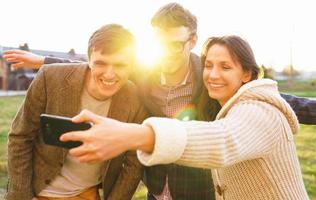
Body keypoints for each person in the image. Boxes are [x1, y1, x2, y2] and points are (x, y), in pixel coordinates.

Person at [3, 3, 316, 200]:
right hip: (157, 186)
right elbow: (101, 60)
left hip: (197, 190)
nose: (165, 52)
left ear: (192, 41)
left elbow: (272, 102)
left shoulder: (212, 78)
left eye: (174, 45)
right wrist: (43, 60)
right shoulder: (144, 71)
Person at [60, 35, 309, 200]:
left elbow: (222, 140)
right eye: (208, 65)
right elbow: (118, 67)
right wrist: (45, 62)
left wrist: (132, 135)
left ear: (246, 74)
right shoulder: (231, 105)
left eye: (225, 67)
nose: (212, 74)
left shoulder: (259, 109)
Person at [6, 24, 148, 200]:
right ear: (89, 60)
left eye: (120, 65)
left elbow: (134, 162)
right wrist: (20, 196)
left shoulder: (136, 97)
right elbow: (20, 137)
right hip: (37, 193)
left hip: (86, 195)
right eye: (101, 63)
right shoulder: (49, 78)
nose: (110, 74)